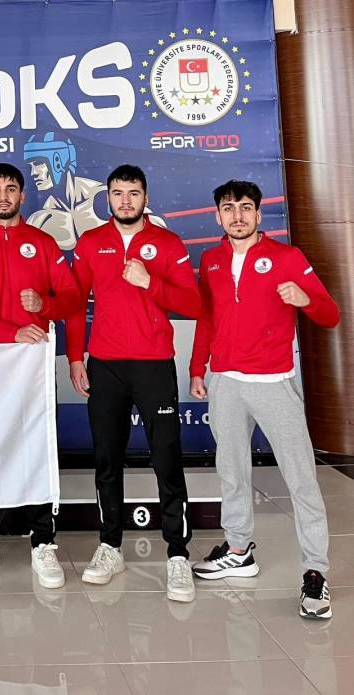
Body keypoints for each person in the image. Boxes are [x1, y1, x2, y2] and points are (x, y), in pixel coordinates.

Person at [189, 180, 340, 619]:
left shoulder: (287, 257)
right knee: (231, 470)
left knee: (301, 478)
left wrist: (305, 298)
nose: (237, 216)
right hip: (225, 381)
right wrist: (199, 368)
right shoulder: (211, 260)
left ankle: (315, 572)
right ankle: (239, 550)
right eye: (228, 208)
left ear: (258, 215)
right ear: (217, 216)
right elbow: (207, 318)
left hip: (273, 382)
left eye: (245, 208)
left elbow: (330, 315)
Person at [66, 165, 201, 603]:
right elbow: (73, 304)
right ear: (107, 197)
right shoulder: (91, 242)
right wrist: (75, 357)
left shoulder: (168, 243)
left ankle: (177, 553)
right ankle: (110, 546)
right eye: (118, 193)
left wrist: (150, 282)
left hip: (154, 365)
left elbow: (193, 304)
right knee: (107, 459)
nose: (125, 201)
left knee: (166, 459)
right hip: (105, 365)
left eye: (133, 193)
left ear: (146, 197)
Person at [0, 162, 82, 588]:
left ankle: (43, 541)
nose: (4, 196)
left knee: (37, 447)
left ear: (23, 195)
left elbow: (71, 297)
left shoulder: (43, 243)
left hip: (32, 365)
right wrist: (11, 331)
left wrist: (44, 306)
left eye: (11, 188)